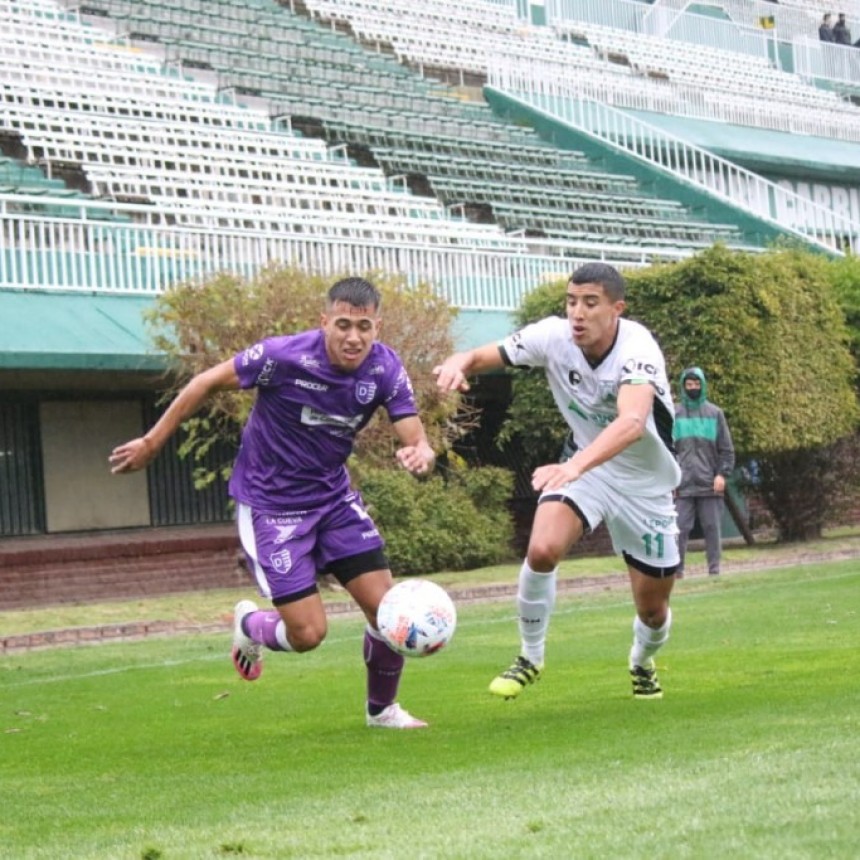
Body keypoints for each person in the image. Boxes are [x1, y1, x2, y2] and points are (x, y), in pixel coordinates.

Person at [110, 277, 436, 729]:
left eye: (364, 326)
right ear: (324, 322)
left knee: (386, 612)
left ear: (377, 327)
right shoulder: (283, 357)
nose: (353, 337)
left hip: (334, 501)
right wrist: (151, 441)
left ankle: (382, 711)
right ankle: (250, 628)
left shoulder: (384, 368)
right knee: (308, 635)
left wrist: (421, 452)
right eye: (343, 324)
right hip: (272, 507)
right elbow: (206, 381)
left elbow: (413, 433)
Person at [434, 262, 681, 701]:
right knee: (542, 548)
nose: (577, 313)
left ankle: (642, 661)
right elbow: (480, 357)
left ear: (616, 309)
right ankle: (530, 656)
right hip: (588, 469)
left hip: (645, 485)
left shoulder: (637, 346)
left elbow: (632, 422)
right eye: (571, 302)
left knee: (653, 608)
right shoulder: (551, 336)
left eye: (590, 303)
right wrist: (460, 361)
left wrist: (573, 466)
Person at [673, 367, 735, 579]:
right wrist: (671, 479)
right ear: (683, 387)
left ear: (703, 385)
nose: (693, 388)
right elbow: (667, 451)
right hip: (682, 485)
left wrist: (722, 474)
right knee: (679, 528)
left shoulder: (715, 413)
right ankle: (677, 570)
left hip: (710, 483)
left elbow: (726, 450)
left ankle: (714, 569)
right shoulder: (674, 414)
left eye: (696, 384)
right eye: (689, 385)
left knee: (712, 527)